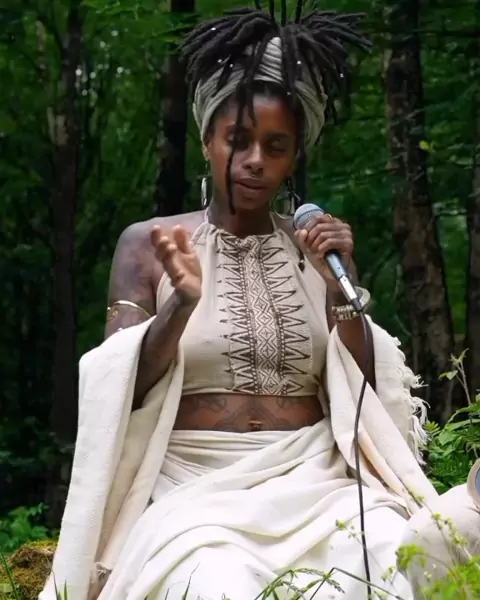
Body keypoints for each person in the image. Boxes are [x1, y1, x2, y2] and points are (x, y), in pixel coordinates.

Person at [40, 3, 480, 600]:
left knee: (389, 559)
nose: (254, 160)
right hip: (192, 490)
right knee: (216, 582)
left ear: (293, 157)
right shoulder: (149, 244)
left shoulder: (316, 250)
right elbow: (116, 392)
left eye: (275, 146)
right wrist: (180, 306)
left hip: (319, 482)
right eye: (238, 140)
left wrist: (341, 288)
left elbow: (363, 389)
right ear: (207, 141)